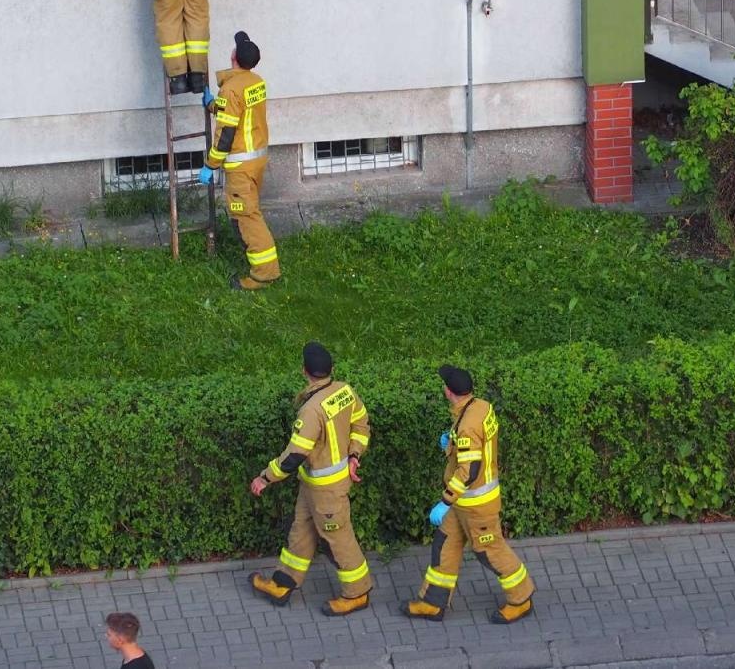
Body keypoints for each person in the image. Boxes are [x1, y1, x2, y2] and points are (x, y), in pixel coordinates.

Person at [402, 365, 535, 625]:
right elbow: (478, 443)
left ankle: (521, 599)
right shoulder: (480, 406)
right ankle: (432, 603)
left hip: (475, 503)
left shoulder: (467, 425)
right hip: (464, 502)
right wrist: (450, 442)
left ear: (448, 392)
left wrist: (445, 501)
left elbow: (470, 469)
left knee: (490, 551)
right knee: (445, 546)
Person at [248, 341, 374, 617]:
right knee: (301, 532)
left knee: (338, 539)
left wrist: (265, 478)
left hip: (326, 490)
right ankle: (284, 583)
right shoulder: (344, 391)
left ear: (305, 371)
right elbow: (361, 424)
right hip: (315, 486)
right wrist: (355, 455)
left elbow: (295, 456)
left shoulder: (311, 411)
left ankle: (358, 593)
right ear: (331, 370)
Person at [198, 31, 278, 291]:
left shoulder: (232, 89)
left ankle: (264, 273)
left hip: (240, 166)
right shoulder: (255, 82)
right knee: (250, 212)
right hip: (256, 160)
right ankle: (263, 267)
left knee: (247, 217)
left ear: (233, 57)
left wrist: (210, 165)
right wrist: (214, 105)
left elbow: (226, 134)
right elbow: (238, 111)